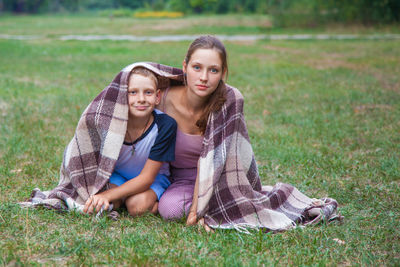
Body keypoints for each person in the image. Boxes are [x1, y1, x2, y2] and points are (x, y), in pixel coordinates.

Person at [83, 67, 177, 216]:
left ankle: (156, 204)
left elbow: (147, 178)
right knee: (103, 205)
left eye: (148, 92)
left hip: (153, 180)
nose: (141, 99)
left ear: (157, 96)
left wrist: (107, 195)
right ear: (122, 96)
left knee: (137, 207)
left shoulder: (166, 125)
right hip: (119, 176)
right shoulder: (112, 124)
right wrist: (106, 196)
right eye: (133, 92)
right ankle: (120, 200)